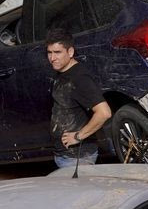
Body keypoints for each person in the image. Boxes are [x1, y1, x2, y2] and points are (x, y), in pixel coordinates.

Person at [47, 29, 110, 169]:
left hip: (78, 158)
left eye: (57, 52)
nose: (52, 58)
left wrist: (78, 136)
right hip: (65, 156)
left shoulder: (80, 78)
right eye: (49, 52)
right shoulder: (61, 73)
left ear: (70, 52)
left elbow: (104, 112)